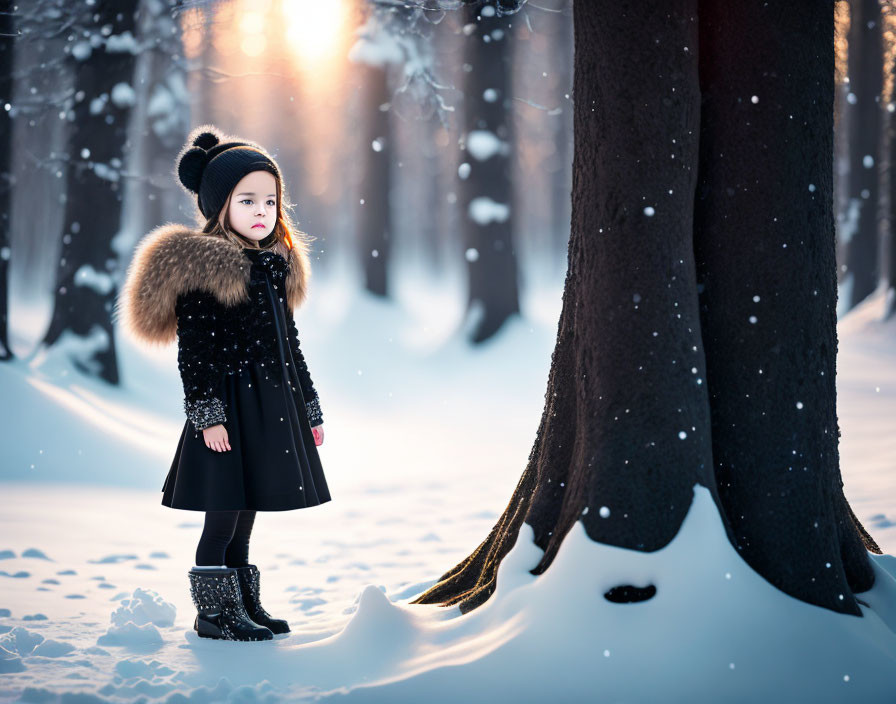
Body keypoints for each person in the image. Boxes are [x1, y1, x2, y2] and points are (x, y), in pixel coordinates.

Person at [115, 124, 332, 642]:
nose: (262, 211)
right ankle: (213, 614)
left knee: (247, 510)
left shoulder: (273, 267)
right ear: (220, 208)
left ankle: (243, 604)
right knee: (222, 515)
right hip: (227, 409)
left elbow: (290, 346)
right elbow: (196, 354)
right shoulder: (205, 269)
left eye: (271, 201)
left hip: (268, 407)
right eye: (247, 200)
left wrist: (310, 405)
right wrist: (207, 414)